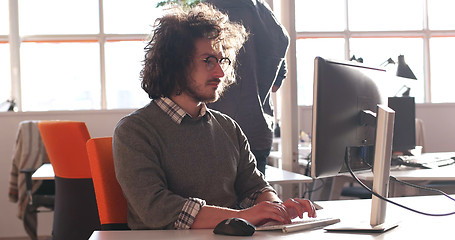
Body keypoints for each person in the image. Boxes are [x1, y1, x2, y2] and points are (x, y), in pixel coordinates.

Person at [113, 3, 315, 230]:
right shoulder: (135, 130)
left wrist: (277, 209)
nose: (220, 72)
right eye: (208, 60)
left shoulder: (228, 127)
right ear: (175, 63)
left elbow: (255, 188)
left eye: (222, 61)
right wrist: (245, 216)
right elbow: (156, 208)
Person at [206, 0, 290, 175]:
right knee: (257, 198)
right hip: (256, 127)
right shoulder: (262, 12)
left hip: (215, 133)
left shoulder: (211, 12)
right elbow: (281, 44)